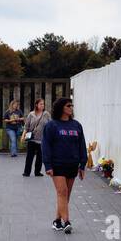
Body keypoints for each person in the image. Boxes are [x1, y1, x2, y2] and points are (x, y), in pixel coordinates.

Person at [43, 96, 87, 233]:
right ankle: (67, 222)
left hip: (72, 164)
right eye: (68, 105)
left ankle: (57, 221)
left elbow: (82, 145)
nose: (71, 108)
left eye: (72, 105)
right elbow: (46, 146)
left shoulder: (76, 125)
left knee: (66, 195)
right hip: (57, 164)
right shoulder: (52, 125)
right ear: (61, 107)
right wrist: (48, 165)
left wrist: (82, 165)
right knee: (62, 192)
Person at [21, 98, 48, 177]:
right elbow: (26, 127)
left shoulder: (46, 114)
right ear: (36, 105)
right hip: (32, 139)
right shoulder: (31, 114)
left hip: (42, 140)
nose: (42, 105)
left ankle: (37, 172)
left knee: (40, 157)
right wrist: (23, 136)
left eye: (43, 104)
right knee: (29, 156)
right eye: (41, 104)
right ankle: (27, 172)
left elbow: (50, 126)